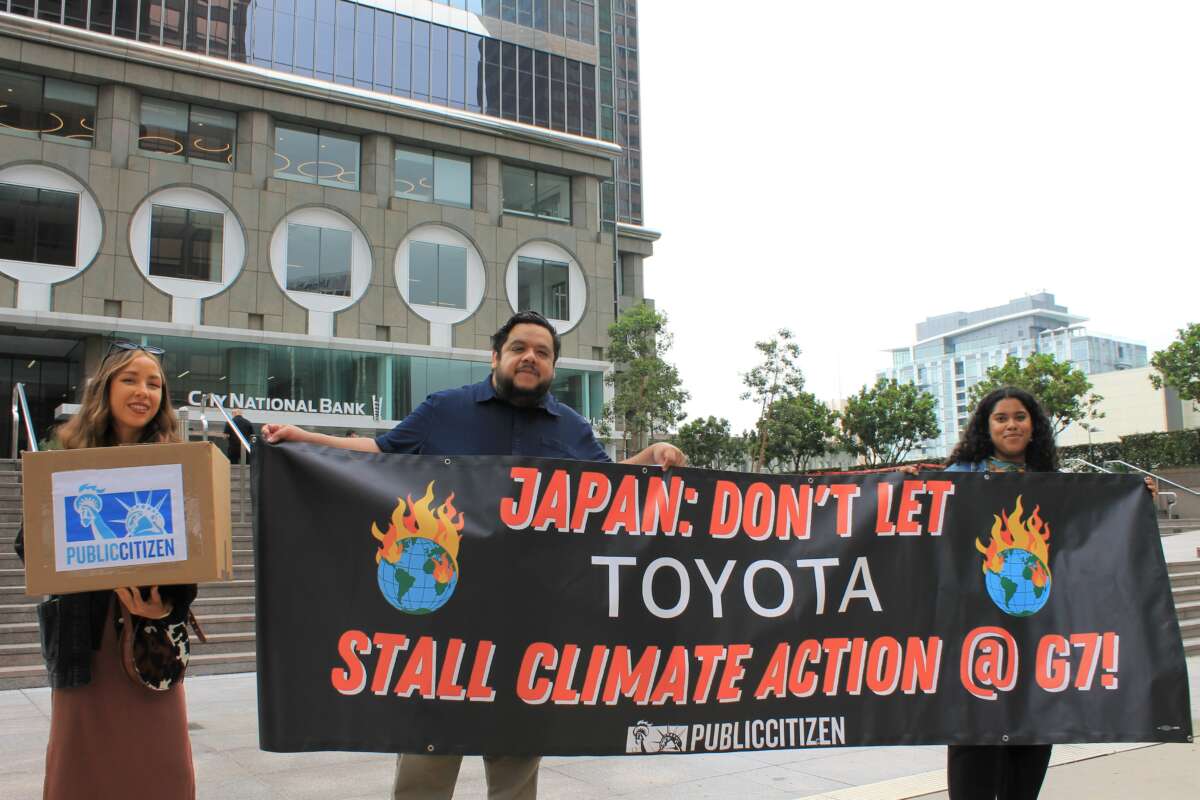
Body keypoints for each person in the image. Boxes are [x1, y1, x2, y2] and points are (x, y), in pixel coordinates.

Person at [262, 310, 686, 800]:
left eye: (543, 352)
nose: (531, 358)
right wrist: (306, 440)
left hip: (529, 630)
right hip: (443, 628)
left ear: (553, 366)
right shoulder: (444, 410)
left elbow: (606, 487)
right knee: (425, 765)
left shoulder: (571, 427)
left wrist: (650, 457)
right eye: (520, 348)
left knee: (517, 768)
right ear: (496, 356)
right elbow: (377, 451)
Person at [930, 386, 1153, 800]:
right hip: (976, 634)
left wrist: (1135, 500)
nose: (1011, 424)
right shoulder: (958, 478)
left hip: (1039, 633)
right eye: (1001, 418)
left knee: (1033, 732)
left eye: (1020, 417)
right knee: (974, 735)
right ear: (986, 426)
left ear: (1034, 426)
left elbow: (1090, 530)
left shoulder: (1055, 483)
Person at [15, 340, 197, 799]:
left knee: (160, 764)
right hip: (86, 639)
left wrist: (166, 605)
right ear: (106, 388)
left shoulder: (175, 459)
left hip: (150, 641)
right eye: (130, 380)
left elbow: (192, 551)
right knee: (83, 767)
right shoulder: (68, 454)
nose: (143, 391)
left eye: (154, 384)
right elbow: (28, 545)